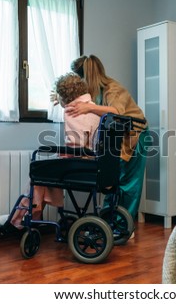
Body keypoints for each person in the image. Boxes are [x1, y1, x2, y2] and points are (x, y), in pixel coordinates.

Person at [66, 55, 149, 224]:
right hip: (117, 137)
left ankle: (123, 224)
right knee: (111, 179)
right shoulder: (96, 92)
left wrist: (89, 107)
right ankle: (109, 220)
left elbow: (116, 111)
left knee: (128, 182)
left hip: (136, 136)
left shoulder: (114, 89)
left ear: (86, 76)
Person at [10, 73, 101, 229]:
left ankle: (22, 218)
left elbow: (76, 145)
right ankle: (32, 216)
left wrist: (63, 153)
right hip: (94, 164)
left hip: (79, 165)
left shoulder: (73, 112)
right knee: (45, 174)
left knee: (38, 173)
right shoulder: (93, 108)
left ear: (66, 96)